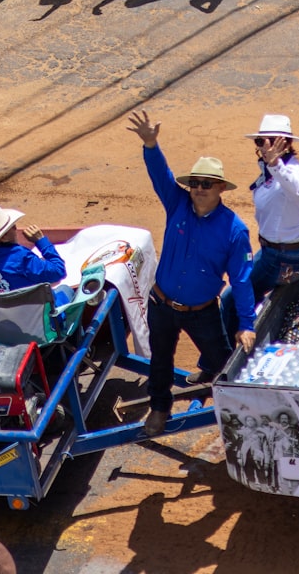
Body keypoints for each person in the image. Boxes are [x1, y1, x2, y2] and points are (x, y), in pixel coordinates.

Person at [126, 109, 254, 437]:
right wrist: (151, 144)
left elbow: (240, 279)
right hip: (162, 305)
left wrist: (247, 325)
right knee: (160, 360)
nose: (198, 189)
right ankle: (159, 407)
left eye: (206, 184)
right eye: (195, 183)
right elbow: (161, 176)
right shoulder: (178, 204)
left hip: (202, 313)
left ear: (221, 188)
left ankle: (238, 412)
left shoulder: (234, 230)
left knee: (224, 364)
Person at [220, 115, 299, 337]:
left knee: (230, 299)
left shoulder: (290, 171)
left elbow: (298, 191)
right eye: (261, 141)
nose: (265, 147)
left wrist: (275, 163)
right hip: (280, 252)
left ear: (285, 143)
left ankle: (220, 362)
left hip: (280, 257)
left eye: (271, 141)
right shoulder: (275, 169)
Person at [0, 205, 70, 301]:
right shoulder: (21, 258)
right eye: (13, 226)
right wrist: (41, 241)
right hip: (38, 317)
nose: (15, 228)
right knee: (66, 289)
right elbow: (59, 270)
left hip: (2, 318)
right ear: (4, 237)